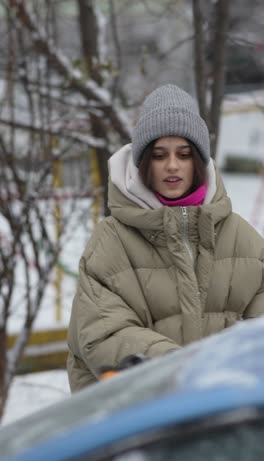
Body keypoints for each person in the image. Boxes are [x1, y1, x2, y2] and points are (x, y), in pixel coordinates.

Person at [67, 84, 264, 392]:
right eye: (159, 155)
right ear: (144, 162)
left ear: (198, 162)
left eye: (184, 154)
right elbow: (103, 334)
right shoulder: (110, 242)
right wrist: (184, 368)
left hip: (227, 416)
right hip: (145, 420)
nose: (172, 165)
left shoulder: (242, 238)